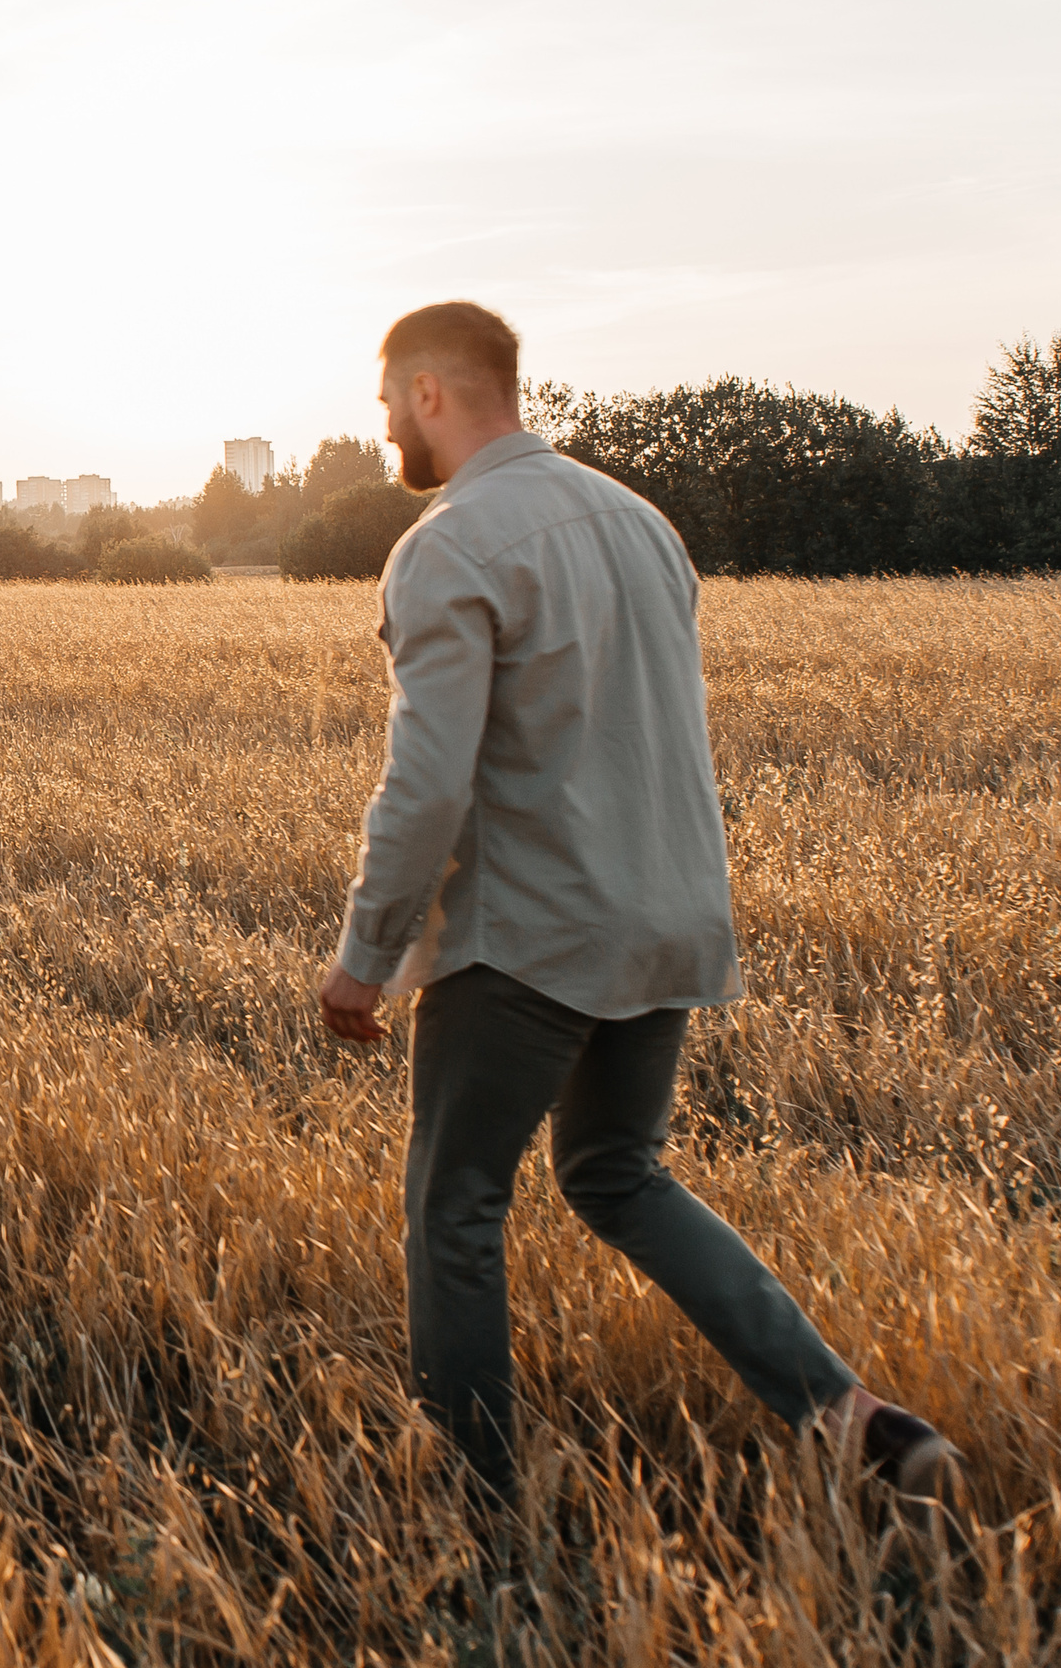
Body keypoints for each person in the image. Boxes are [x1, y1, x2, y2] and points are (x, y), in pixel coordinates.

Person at [316, 302, 960, 1508]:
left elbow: (428, 780)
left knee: (454, 1210)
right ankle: (853, 1417)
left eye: (388, 398)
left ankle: (475, 1511)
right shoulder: (639, 521)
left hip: (528, 936)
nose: (385, 423)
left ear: (429, 391)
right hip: (665, 917)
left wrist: (367, 950)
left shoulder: (450, 544)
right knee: (618, 1174)